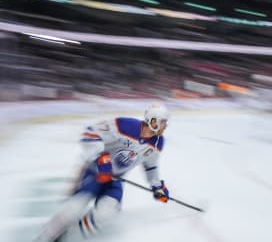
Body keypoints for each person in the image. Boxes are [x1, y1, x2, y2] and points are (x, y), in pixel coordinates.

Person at [35, 103, 171, 242]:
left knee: (106, 213)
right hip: (94, 172)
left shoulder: (158, 143)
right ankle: (47, 235)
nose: (165, 126)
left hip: (115, 180)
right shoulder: (125, 125)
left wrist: (157, 186)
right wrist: (101, 159)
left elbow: (150, 166)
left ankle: (73, 233)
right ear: (153, 121)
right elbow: (89, 133)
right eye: (163, 122)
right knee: (74, 208)